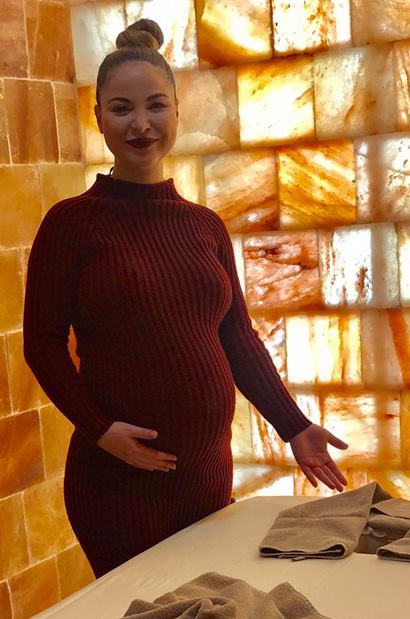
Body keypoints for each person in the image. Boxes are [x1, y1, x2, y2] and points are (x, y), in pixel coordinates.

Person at [23, 18, 348, 577]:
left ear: (176, 111)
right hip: (119, 483)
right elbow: (42, 345)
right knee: (144, 618)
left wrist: (294, 426)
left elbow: (237, 338)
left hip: (206, 475)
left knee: (209, 613)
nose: (141, 124)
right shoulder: (71, 224)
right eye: (121, 109)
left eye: (156, 106)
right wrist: (100, 431)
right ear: (98, 117)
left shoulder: (203, 225)